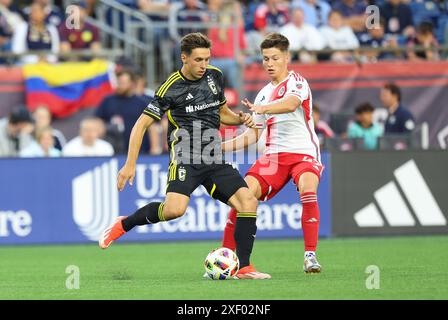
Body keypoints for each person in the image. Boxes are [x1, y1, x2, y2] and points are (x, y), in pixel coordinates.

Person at [98, 32, 271, 280]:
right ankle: (124, 224)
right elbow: (140, 125)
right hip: (185, 157)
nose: (204, 65)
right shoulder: (171, 88)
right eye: (198, 60)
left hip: (212, 155)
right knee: (174, 211)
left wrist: (241, 119)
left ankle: (244, 268)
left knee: (248, 202)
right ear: (184, 58)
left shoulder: (215, 76)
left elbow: (222, 113)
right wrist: (129, 164)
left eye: (207, 59)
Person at [220, 33, 324, 273]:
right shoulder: (263, 93)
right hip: (274, 156)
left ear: (286, 58)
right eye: (265, 58)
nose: (269, 63)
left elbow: (290, 104)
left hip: (303, 152)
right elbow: (253, 135)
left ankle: (310, 255)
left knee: (308, 188)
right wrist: (220, 147)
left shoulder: (298, 82)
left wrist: (263, 108)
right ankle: (226, 257)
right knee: (242, 197)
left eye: (274, 58)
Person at [95, 70, 154, 155]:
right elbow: (98, 122)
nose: (119, 85)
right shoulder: (108, 101)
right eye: (118, 82)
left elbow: (152, 127)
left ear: (132, 84)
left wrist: (154, 148)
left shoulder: (142, 103)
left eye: (123, 82)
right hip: (112, 151)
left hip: (139, 151)